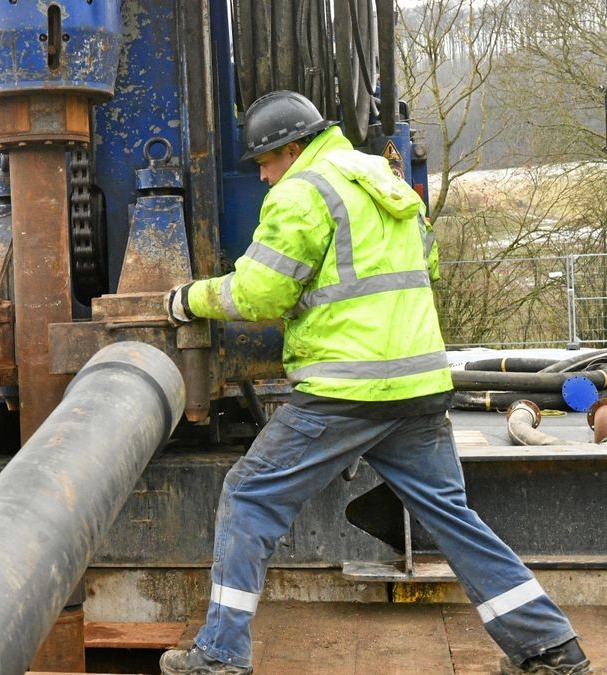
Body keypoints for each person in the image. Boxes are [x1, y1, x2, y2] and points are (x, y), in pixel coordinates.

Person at [159, 91, 591, 675]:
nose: (261, 176)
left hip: (347, 391)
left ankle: (220, 655)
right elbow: (427, 266)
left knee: (248, 495)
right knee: (453, 520)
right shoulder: (380, 177)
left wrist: (188, 300)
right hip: (419, 386)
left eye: (263, 161)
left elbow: (259, 292)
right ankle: (551, 649)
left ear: (291, 149)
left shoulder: (302, 191)